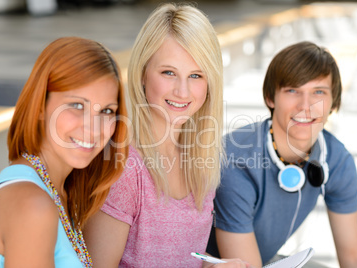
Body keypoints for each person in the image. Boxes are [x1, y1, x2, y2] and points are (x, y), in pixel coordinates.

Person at [83, 3, 250, 268]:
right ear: (142, 74)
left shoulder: (201, 160)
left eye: (196, 75)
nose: (182, 92)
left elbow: (182, 258)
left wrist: (213, 266)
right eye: (169, 72)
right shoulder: (124, 169)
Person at [206, 41, 357, 268]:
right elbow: (245, 266)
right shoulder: (236, 161)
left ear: (332, 101)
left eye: (318, 92)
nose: (305, 106)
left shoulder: (336, 159)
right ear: (270, 98)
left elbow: (354, 257)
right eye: (292, 91)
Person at [0, 36, 128, 268]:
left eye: (107, 111)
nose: (93, 128)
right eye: (77, 105)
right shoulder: (32, 204)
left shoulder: (59, 192)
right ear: (40, 105)